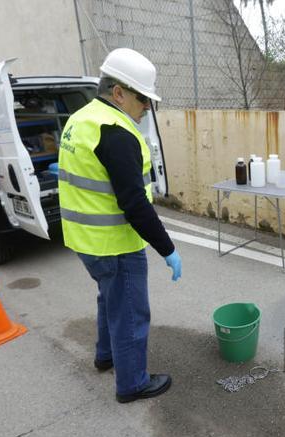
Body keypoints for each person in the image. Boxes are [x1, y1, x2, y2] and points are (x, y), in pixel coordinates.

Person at [58, 48, 182, 404]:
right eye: (144, 99)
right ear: (119, 93)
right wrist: (168, 250)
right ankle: (132, 383)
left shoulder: (81, 120)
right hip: (114, 243)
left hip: (85, 241)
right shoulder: (116, 133)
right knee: (130, 310)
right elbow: (135, 205)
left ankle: (106, 355)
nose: (147, 108)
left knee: (109, 297)